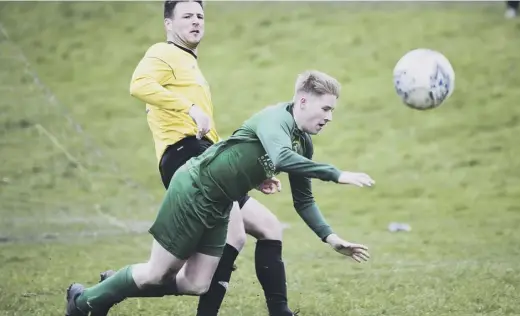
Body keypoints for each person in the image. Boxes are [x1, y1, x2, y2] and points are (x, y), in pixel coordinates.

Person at [64, 69, 374, 316]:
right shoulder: (274, 118)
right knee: (156, 274)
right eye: (326, 108)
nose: (329, 117)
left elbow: (303, 200)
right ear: (303, 101)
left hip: (219, 203)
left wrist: (332, 239)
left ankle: (113, 285)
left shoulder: (303, 143)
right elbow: (278, 157)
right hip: (194, 189)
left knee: (197, 283)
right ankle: (82, 302)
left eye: (332, 110)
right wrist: (336, 174)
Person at [92, 1, 325, 315]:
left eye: (200, 16)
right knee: (230, 239)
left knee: (266, 229)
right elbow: (139, 84)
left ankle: (113, 286)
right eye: (187, 16)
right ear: (168, 24)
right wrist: (188, 108)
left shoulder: (189, 64)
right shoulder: (164, 53)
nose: (196, 21)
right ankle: (109, 289)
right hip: (183, 157)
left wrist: (254, 175)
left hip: (204, 158)